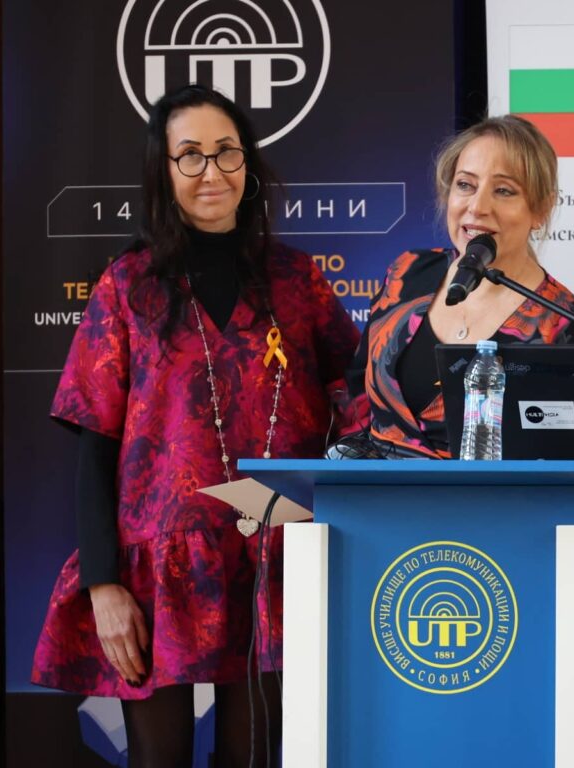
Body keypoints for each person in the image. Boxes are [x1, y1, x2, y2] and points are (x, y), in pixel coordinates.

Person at [31, 84, 359, 766]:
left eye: (226, 152)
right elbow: (96, 449)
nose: (212, 172)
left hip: (275, 561)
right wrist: (103, 585)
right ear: (164, 170)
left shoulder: (297, 280)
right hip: (156, 570)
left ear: (248, 163)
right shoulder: (128, 285)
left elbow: (360, 398)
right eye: (190, 155)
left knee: (255, 757)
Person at [345, 115, 574, 457]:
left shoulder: (569, 326)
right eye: (465, 185)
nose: (478, 207)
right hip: (371, 489)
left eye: (504, 191)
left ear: (541, 209)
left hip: (494, 494)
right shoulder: (407, 272)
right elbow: (358, 396)